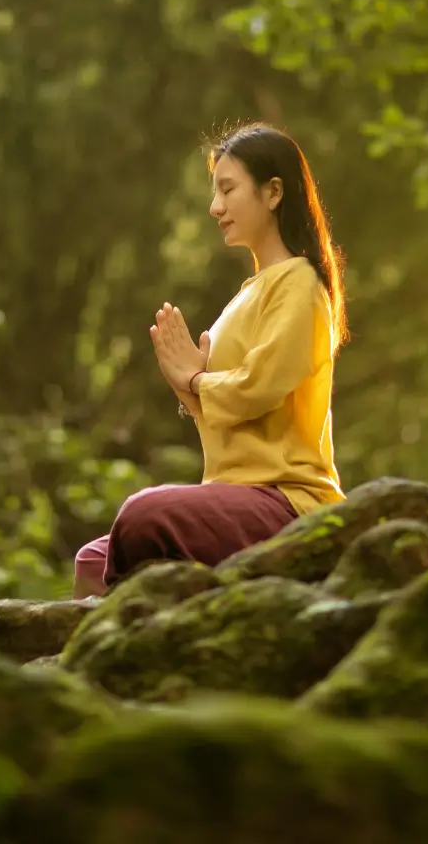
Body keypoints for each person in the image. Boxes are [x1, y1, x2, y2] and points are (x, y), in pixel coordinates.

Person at [72, 122, 349, 598]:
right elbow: (227, 410)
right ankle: (85, 664)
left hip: (286, 498)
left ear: (273, 192)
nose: (214, 207)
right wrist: (185, 383)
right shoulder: (248, 294)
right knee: (93, 559)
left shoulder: (299, 284)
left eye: (227, 189)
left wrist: (195, 380)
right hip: (233, 492)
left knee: (142, 516)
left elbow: (258, 388)